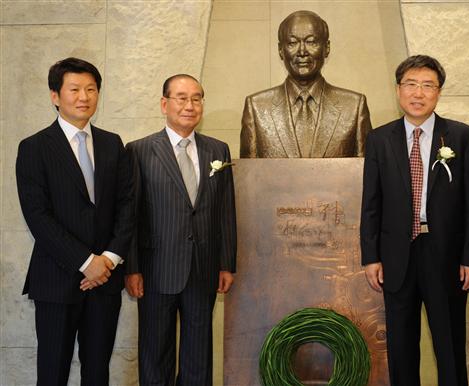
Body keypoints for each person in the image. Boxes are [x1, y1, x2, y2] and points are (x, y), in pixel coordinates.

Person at [360, 55, 469, 386]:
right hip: (397, 254)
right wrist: (371, 256)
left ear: (438, 92)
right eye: (410, 84)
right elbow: (371, 203)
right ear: (398, 90)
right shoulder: (379, 139)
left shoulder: (461, 136)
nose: (418, 93)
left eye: (428, 85)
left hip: (445, 253)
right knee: (401, 347)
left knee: (449, 346)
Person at [15, 57, 134, 386]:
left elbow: (127, 206)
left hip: (105, 282)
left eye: (91, 89)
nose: (84, 96)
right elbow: (37, 216)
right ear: (55, 95)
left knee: (98, 373)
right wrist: (85, 262)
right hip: (56, 279)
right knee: (52, 373)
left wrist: (107, 261)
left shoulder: (113, 144)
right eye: (75, 89)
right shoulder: (34, 147)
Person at [125, 74, 237, 385]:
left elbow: (225, 211)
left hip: (203, 268)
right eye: (181, 98)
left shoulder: (218, 150)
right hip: (156, 270)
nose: (190, 105)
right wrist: (131, 268)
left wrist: (226, 263)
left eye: (197, 98)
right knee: (155, 354)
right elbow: (130, 217)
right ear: (164, 104)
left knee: (198, 358)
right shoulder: (139, 150)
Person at [240, 10, 371, 158]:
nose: (302, 51)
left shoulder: (354, 106)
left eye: (311, 42)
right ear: (280, 50)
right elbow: (248, 175)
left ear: (326, 48)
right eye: (292, 43)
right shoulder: (257, 107)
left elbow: (364, 173)